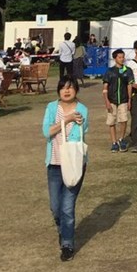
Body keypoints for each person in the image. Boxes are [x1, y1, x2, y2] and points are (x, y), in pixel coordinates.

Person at [42, 77, 88, 261]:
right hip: (54, 163)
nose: (67, 91)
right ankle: (62, 228)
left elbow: (80, 133)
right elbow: (47, 131)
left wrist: (72, 120)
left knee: (67, 206)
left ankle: (67, 243)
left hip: (74, 163)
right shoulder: (52, 107)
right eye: (63, 88)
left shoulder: (82, 109)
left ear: (76, 90)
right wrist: (67, 119)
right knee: (55, 206)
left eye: (70, 88)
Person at [101, 49, 134, 153]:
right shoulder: (110, 71)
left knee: (123, 120)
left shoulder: (127, 70)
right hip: (112, 100)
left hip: (123, 100)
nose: (122, 59)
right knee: (112, 121)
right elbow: (105, 87)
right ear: (115, 58)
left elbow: (129, 85)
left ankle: (121, 139)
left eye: (123, 57)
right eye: (119, 57)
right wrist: (106, 101)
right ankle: (114, 142)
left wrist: (129, 100)